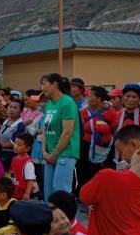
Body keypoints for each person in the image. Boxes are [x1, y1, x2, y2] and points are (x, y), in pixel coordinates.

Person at [41, 73, 80, 202]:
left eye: (44, 84)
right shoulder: (49, 105)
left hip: (65, 154)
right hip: (50, 154)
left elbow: (67, 132)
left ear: (54, 85)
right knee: (48, 191)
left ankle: (65, 221)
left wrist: (54, 155)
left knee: (60, 191)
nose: (42, 88)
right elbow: (45, 130)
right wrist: (45, 152)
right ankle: (50, 220)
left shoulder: (68, 102)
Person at [77, 86, 118, 189]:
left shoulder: (111, 112)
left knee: (102, 172)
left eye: (90, 96)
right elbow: (82, 129)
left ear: (99, 99)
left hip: (105, 148)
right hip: (86, 147)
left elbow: (114, 130)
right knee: (84, 172)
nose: (87, 99)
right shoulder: (85, 112)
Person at [0, 98, 26, 171]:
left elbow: (14, 143)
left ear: (21, 111)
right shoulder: (5, 121)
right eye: (10, 107)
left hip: (11, 156)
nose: (11, 110)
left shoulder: (20, 125)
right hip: (0, 153)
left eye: (15, 108)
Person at [10, 133, 36, 201]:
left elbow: (30, 180)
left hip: (22, 195)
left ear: (28, 148)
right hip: (14, 193)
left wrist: (27, 193)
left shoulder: (28, 163)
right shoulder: (14, 158)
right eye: (15, 143)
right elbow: (13, 174)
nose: (15, 146)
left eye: (19, 145)